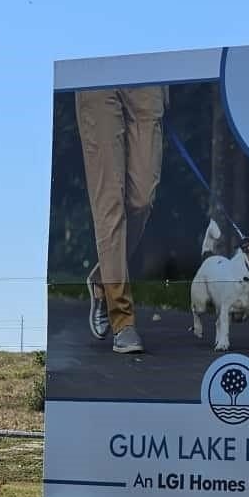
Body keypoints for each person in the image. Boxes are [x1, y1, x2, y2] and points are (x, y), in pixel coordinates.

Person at [75, 85, 168, 353]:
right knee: (110, 202)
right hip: (95, 79)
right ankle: (123, 321)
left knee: (142, 198)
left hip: (146, 78)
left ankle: (101, 278)